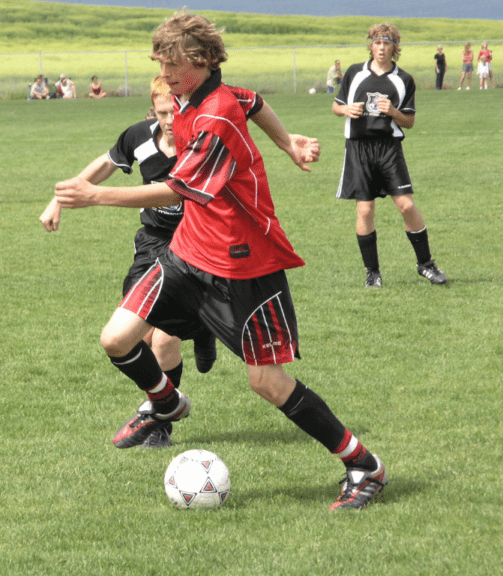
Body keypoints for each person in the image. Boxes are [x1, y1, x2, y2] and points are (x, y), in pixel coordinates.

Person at [54, 11, 385, 511]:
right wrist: (288, 141)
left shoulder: (214, 115)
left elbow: (174, 188)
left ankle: (363, 465)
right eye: (160, 62)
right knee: (116, 338)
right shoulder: (193, 96)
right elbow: (257, 101)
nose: (163, 73)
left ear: (204, 62)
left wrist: (93, 196)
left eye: (172, 63)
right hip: (187, 252)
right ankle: (167, 402)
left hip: (243, 266)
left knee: (267, 383)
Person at [333, 23, 447, 288]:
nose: (381, 48)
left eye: (387, 43)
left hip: (388, 148)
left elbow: (409, 121)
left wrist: (393, 111)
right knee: (365, 210)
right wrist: (346, 110)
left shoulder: (403, 79)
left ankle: (426, 265)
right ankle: (372, 273)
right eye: (377, 42)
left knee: (406, 205)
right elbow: (336, 107)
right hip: (359, 149)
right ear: (370, 45)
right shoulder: (354, 73)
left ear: (395, 48)